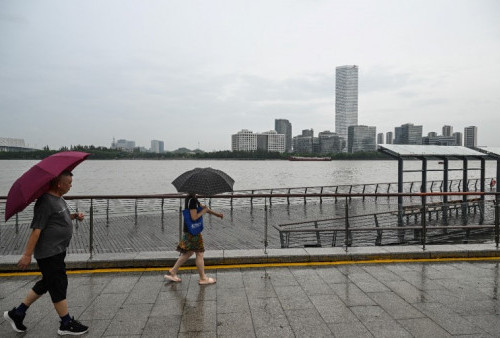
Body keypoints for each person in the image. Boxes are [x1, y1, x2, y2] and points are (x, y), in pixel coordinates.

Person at [3, 171, 89, 335]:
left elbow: (59, 218)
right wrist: (27, 255)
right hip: (49, 253)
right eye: (69, 183)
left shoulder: (58, 198)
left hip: (58, 250)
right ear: (59, 184)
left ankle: (17, 314)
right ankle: (66, 323)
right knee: (58, 284)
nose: (71, 186)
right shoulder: (45, 202)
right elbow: (37, 230)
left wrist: (75, 216)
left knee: (47, 283)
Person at [164, 193, 223, 285]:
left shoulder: (192, 198)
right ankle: (203, 278)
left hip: (189, 230)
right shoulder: (192, 200)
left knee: (189, 252)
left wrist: (217, 214)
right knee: (199, 253)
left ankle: (173, 271)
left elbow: (204, 208)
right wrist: (203, 211)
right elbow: (194, 217)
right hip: (193, 233)